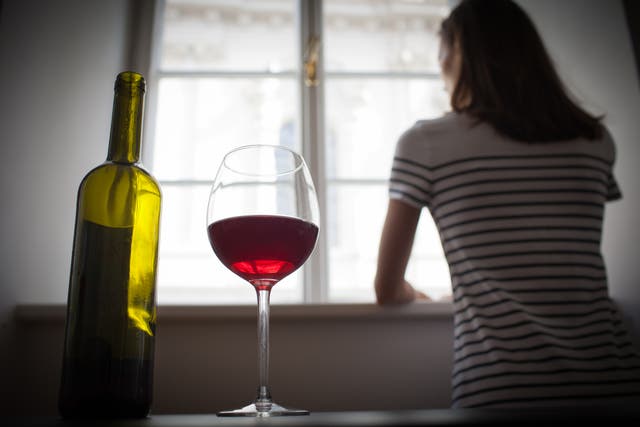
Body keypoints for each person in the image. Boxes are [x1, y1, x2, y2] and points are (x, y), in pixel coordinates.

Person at [374, 0, 640, 408]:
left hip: (501, 390)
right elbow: (557, 256)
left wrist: (434, 295)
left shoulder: (425, 144)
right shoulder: (594, 141)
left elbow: (387, 289)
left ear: (457, 56)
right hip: (614, 385)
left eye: (442, 51)